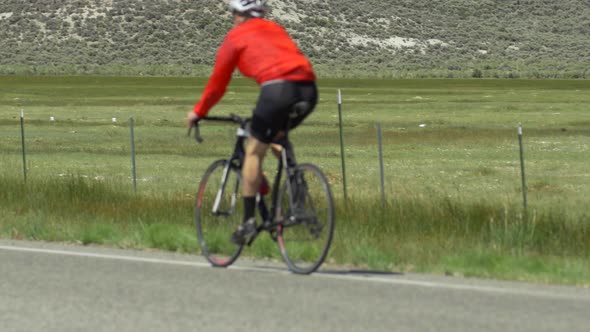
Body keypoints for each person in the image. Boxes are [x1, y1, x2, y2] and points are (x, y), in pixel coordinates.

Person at [186, 0, 318, 245]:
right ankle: (296, 187)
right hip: (309, 90)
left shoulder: (236, 37)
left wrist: (198, 111)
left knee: (253, 151)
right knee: (275, 136)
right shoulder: (276, 28)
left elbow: (217, 85)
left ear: (237, 15)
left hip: (277, 91)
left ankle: (248, 222)